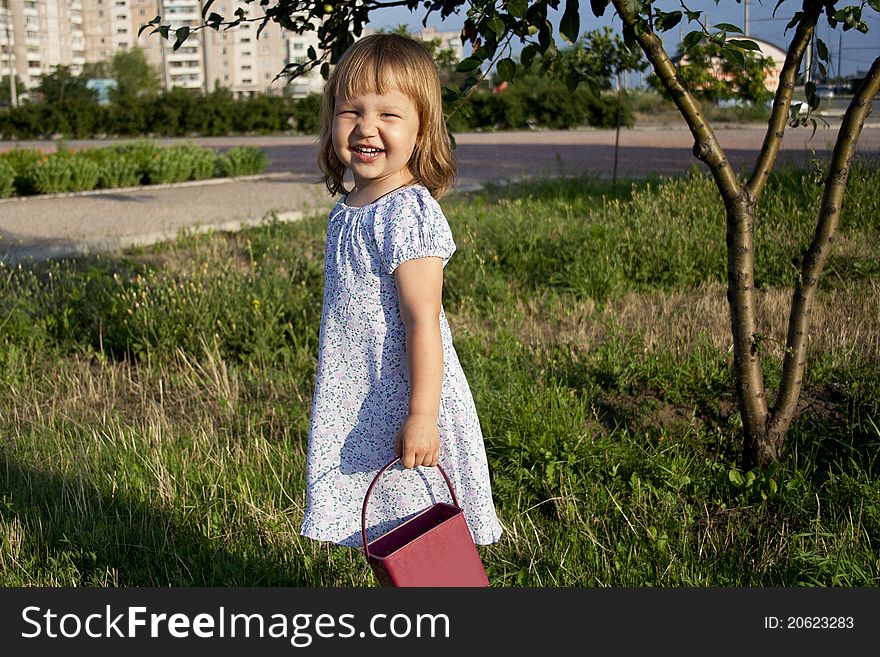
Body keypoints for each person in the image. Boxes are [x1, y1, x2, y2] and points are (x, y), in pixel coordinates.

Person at [299, 33, 504, 549]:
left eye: (388, 115)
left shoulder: (407, 213)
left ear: (421, 129)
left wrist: (421, 416)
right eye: (351, 112)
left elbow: (423, 321)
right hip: (361, 397)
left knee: (423, 530)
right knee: (385, 533)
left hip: (407, 397)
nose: (367, 128)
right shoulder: (347, 210)